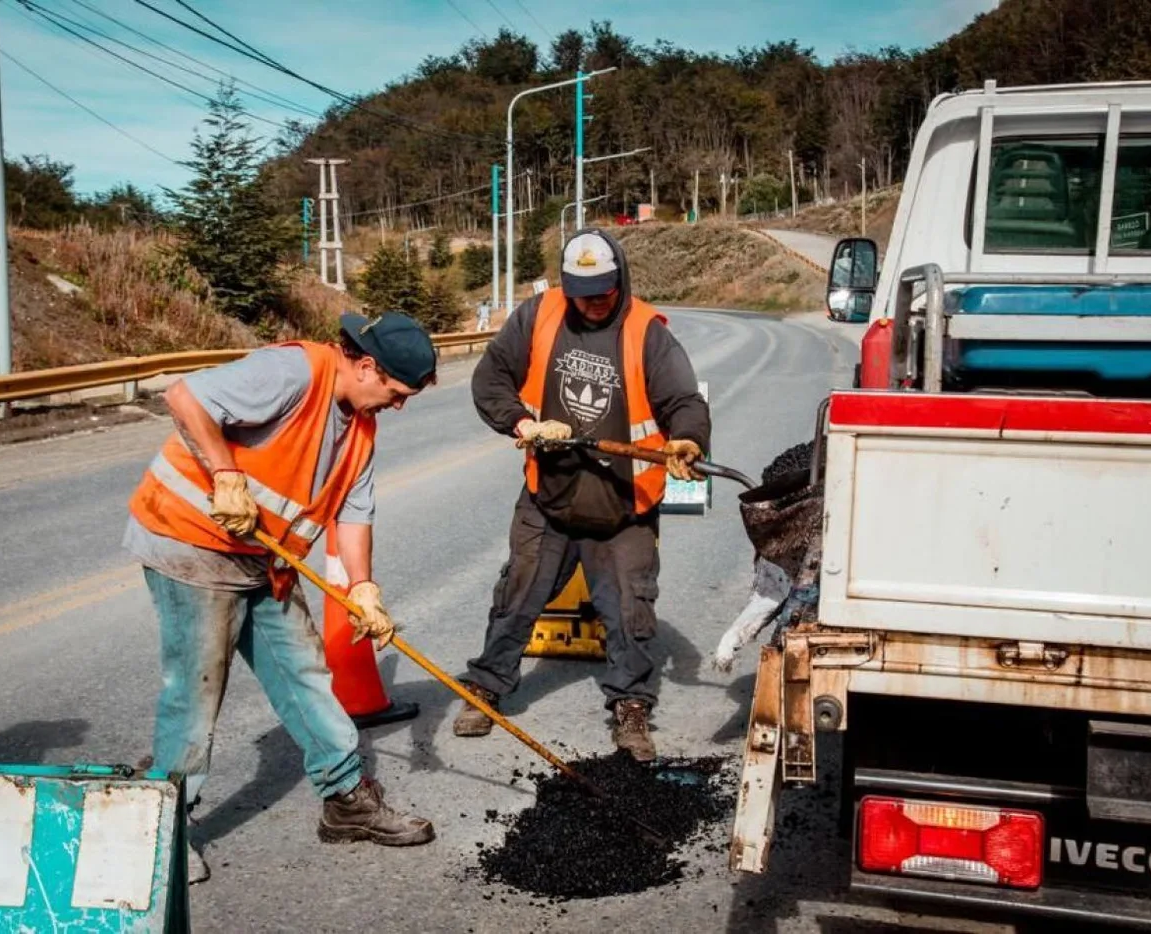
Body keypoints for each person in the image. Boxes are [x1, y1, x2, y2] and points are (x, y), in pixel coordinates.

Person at [123, 311, 439, 883]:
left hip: (263, 562)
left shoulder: (361, 431)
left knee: (307, 676)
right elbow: (184, 395)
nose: (398, 404)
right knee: (196, 693)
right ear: (367, 366)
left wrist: (364, 590)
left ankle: (345, 798)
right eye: (395, 391)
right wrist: (225, 474)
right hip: (191, 543)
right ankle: (161, 833)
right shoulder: (295, 371)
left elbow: (354, 513)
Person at [454, 229, 711, 762]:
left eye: (603, 290)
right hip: (549, 492)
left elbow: (683, 400)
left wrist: (687, 438)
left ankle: (631, 705)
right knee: (518, 595)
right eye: (582, 292)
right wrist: (520, 422)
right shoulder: (538, 315)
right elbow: (490, 379)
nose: (593, 302)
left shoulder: (647, 332)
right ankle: (486, 686)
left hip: (623, 501)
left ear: (620, 279)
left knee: (631, 610)